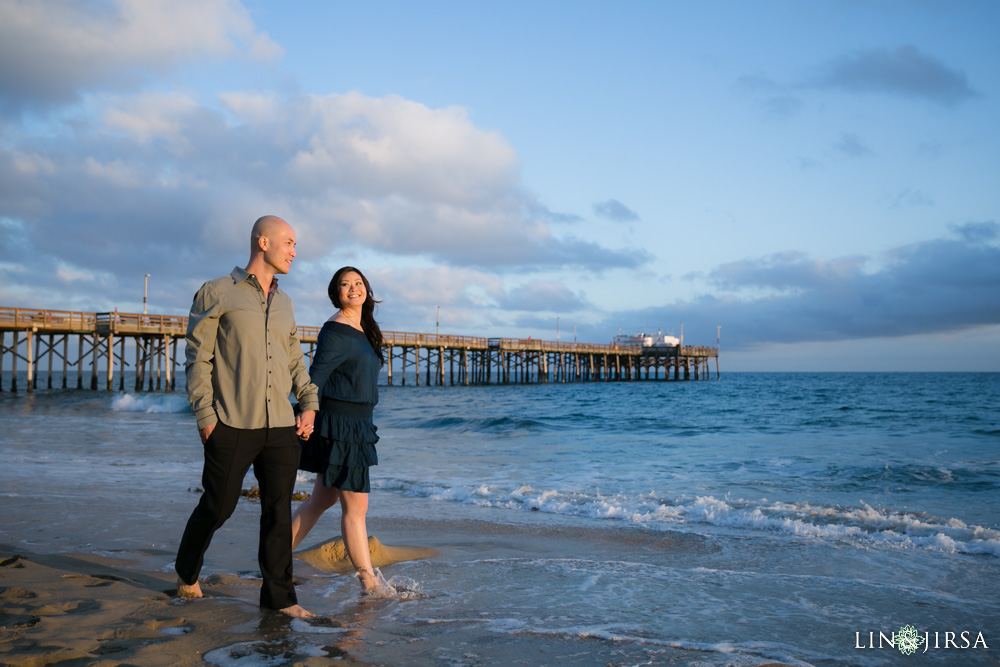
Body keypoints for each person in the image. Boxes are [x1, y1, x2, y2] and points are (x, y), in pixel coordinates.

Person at [175, 215, 319, 618]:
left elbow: (295, 361)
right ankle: (187, 571)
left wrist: (308, 402)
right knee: (218, 506)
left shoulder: (286, 303)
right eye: (289, 242)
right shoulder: (218, 292)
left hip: (280, 426)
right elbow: (197, 358)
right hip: (232, 422)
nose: (294, 251)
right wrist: (205, 415)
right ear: (263, 242)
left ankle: (280, 597)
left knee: (277, 512)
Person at [292, 266, 385, 594]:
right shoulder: (336, 329)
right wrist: (307, 412)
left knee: (322, 500)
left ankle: (273, 559)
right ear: (336, 294)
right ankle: (369, 581)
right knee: (356, 508)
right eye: (345, 285)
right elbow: (316, 374)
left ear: (366, 289)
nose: (353, 288)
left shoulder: (363, 328)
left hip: (358, 424)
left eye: (358, 283)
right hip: (341, 425)